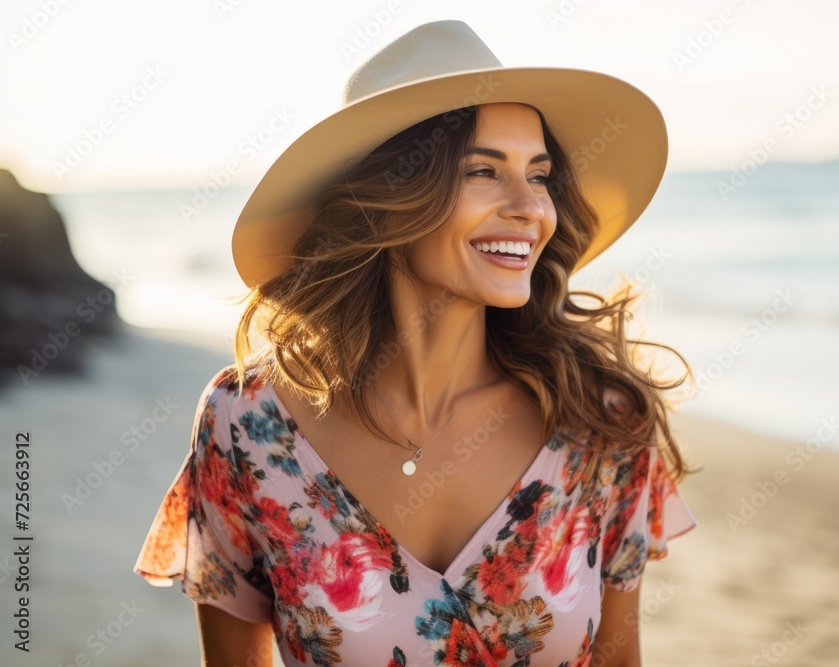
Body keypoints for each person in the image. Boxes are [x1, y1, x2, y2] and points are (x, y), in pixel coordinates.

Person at [133, 19, 700, 667]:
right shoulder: (248, 425)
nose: (531, 208)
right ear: (389, 200)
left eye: (539, 175)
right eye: (484, 171)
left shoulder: (598, 421)